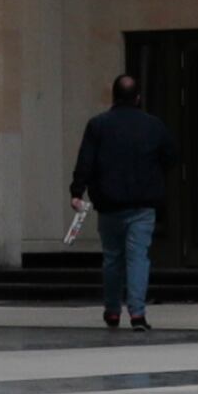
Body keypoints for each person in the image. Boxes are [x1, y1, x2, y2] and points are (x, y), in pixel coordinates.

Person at [68, 72, 175, 333]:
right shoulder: (154, 125)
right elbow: (170, 158)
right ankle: (137, 313)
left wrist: (77, 190)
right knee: (138, 258)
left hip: (110, 203)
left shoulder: (98, 125)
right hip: (143, 203)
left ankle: (112, 310)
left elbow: (86, 160)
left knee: (112, 258)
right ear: (138, 98)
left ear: (114, 97)